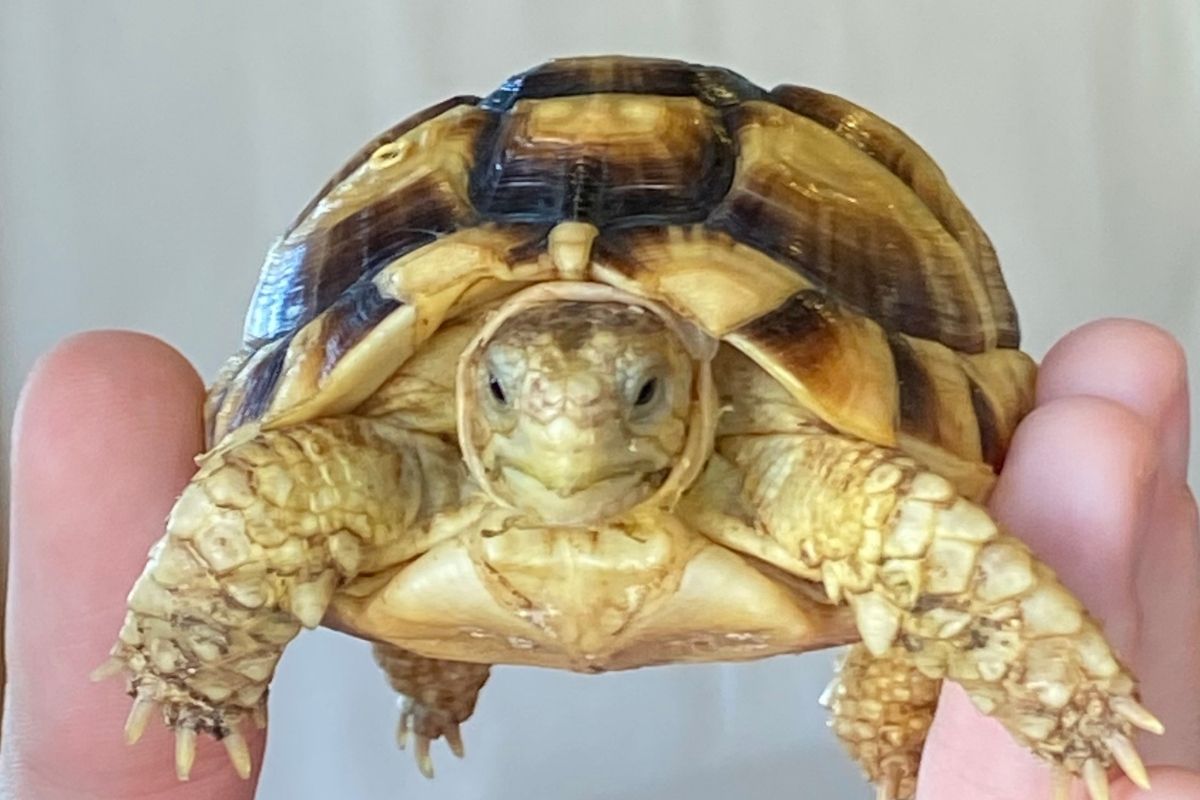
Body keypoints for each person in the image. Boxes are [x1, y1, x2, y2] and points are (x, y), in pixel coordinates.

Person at [2, 320, 1198, 800]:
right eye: (517, 395)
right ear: (475, 391)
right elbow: (257, 495)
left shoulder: (800, 462)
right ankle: (433, 666)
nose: (572, 433)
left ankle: (914, 720)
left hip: (772, 469)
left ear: (681, 390)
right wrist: (194, 652)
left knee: (915, 582)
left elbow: (918, 531)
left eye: (634, 395)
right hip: (421, 480)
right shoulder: (380, 448)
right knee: (281, 515)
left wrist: (1063, 702)